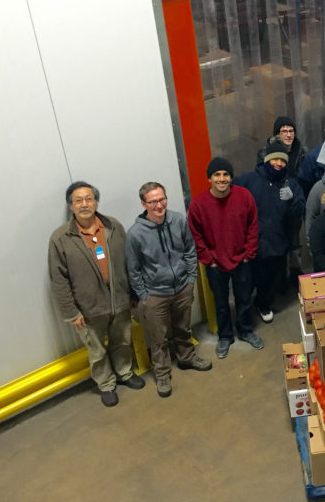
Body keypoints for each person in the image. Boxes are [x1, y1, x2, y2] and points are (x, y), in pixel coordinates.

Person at [48, 181, 145, 407]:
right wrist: (71, 313)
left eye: (89, 199)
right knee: (97, 351)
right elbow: (58, 279)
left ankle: (125, 373)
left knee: (122, 341)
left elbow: (128, 262)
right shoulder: (60, 238)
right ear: (71, 206)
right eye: (78, 200)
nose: (84, 204)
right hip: (88, 309)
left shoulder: (113, 226)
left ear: (96, 202)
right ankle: (106, 385)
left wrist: (131, 293)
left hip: (119, 301)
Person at [125, 182, 212, 398]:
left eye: (162, 199)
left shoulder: (178, 220)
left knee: (183, 328)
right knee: (158, 338)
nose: (158, 205)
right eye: (153, 201)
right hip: (155, 295)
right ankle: (162, 373)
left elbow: (190, 250)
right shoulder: (135, 233)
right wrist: (144, 296)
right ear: (144, 204)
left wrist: (190, 279)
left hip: (182, 287)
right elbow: (133, 269)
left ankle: (187, 358)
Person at [187, 157, 264, 357]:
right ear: (209, 179)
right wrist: (208, 259)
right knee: (220, 302)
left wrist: (249, 253)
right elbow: (196, 234)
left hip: (242, 260)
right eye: (217, 175)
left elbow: (253, 226)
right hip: (215, 263)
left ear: (231, 177)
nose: (222, 179)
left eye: (226, 175)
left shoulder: (244, 196)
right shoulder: (198, 204)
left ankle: (246, 330)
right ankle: (225, 336)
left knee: (244, 298)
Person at [235, 143, 305, 323]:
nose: (279, 163)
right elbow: (229, 194)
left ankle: (263, 304)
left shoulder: (290, 183)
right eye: (275, 159)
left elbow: (299, 211)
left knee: (271, 281)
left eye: (282, 160)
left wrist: (292, 201)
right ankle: (243, 313)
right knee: (247, 281)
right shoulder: (249, 180)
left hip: (278, 243)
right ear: (266, 159)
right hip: (251, 245)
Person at [256, 116, 308, 280]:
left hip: (293, 201)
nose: (288, 134)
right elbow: (261, 176)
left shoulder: (301, 150)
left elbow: (304, 176)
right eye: (283, 131)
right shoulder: (265, 152)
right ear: (276, 134)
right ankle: (278, 279)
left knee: (294, 241)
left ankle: (295, 274)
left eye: (291, 131)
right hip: (273, 205)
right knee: (276, 243)